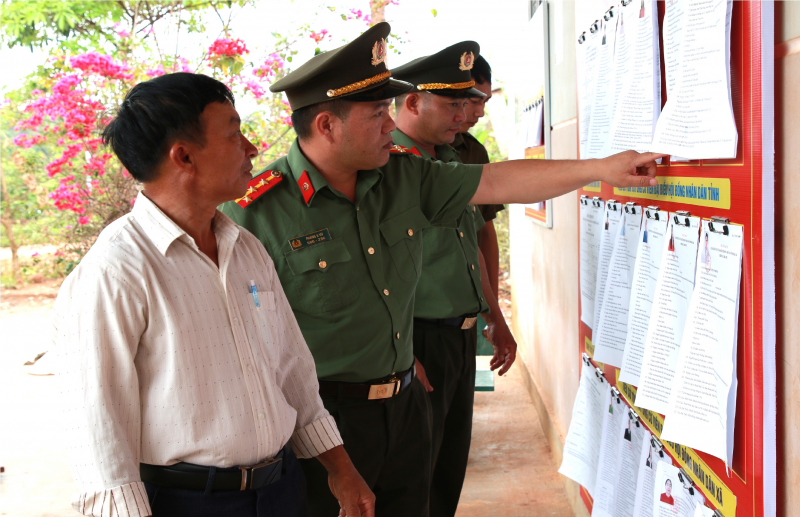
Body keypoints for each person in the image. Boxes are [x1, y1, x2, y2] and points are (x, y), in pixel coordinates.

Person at [221, 21, 661, 517]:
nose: (391, 124)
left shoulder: (403, 177)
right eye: (376, 114)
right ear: (327, 125)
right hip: (324, 424)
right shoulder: (252, 213)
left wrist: (598, 169)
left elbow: (495, 182)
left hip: (406, 405)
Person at [54, 73, 374, 517]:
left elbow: (291, 368)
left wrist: (340, 468)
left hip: (280, 489)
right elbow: (98, 428)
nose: (252, 148)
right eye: (233, 133)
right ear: (183, 156)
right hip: (188, 502)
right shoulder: (115, 270)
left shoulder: (245, 248)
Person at [390, 41, 517, 516]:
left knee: (447, 473)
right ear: (412, 102)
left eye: (471, 102)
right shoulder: (386, 167)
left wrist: (493, 314)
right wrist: (402, 353)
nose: (466, 114)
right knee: (413, 480)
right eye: (454, 103)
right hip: (418, 341)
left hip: (458, 338)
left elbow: (472, 246)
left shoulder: (451, 158)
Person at [450, 54, 516, 360]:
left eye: (485, 101)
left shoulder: (473, 151)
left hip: (467, 314)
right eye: (470, 100)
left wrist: (494, 311)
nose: (478, 111)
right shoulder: (397, 155)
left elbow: (484, 233)